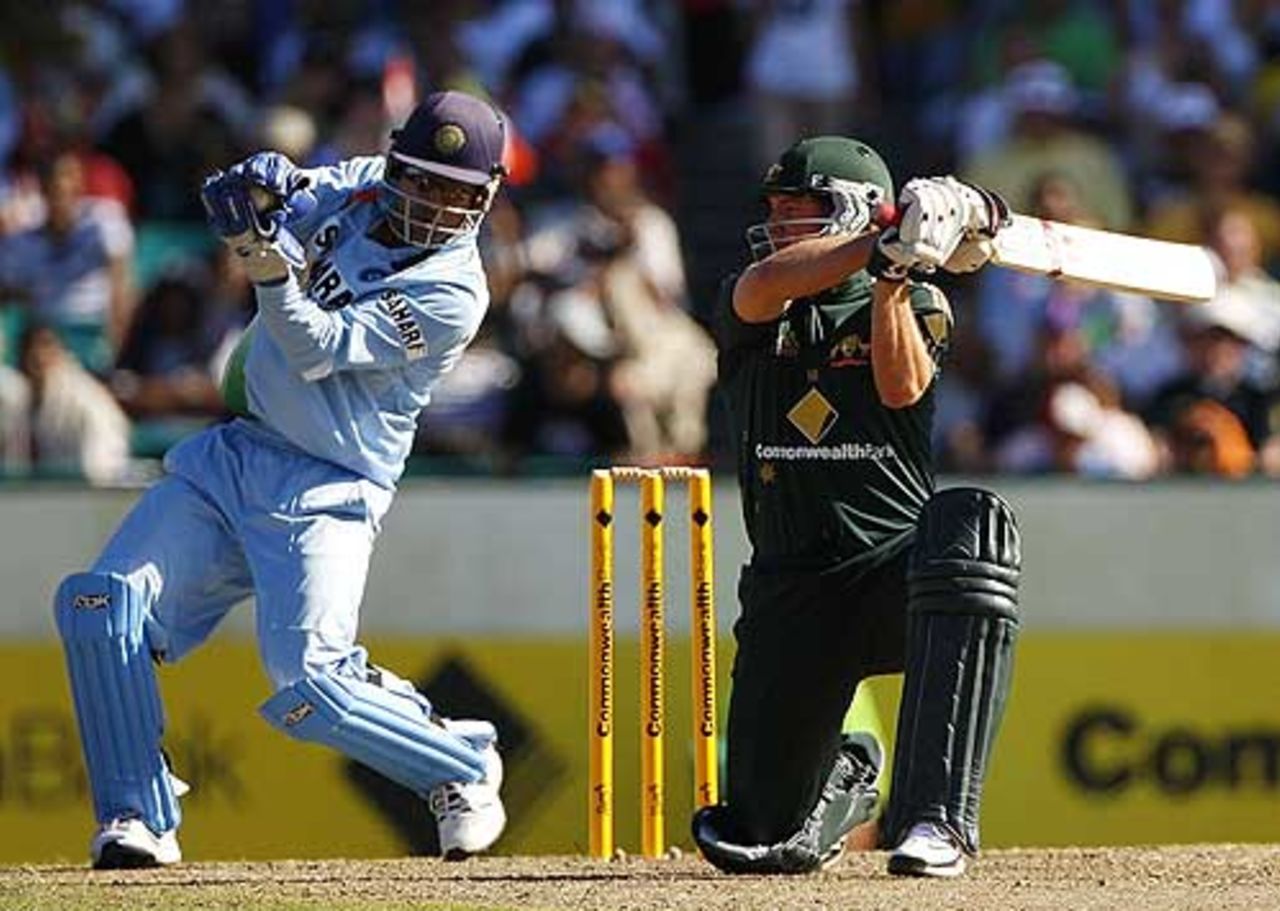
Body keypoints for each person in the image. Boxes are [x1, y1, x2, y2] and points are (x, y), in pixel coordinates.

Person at [52, 90, 510, 868]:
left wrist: (265, 263)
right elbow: (292, 194)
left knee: (310, 683)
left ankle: (461, 766)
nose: (432, 201)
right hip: (235, 453)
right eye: (420, 179)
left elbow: (315, 346)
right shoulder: (367, 182)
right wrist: (262, 183)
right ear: (395, 163)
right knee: (101, 606)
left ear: (485, 196)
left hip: (330, 485)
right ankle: (137, 816)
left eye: (455, 191)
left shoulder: (454, 293)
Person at [690, 137, 1021, 878]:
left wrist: (893, 275)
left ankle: (937, 819)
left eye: (798, 209)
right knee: (758, 835)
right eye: (775, 209)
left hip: (895, 577)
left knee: (974, 523)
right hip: (790, 588)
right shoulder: (755, 295)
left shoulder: (921, 300)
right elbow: (765, 284)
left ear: (852, 209)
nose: (778, 223)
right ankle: (844, 773)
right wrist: (888, 240)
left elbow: (902, 388)